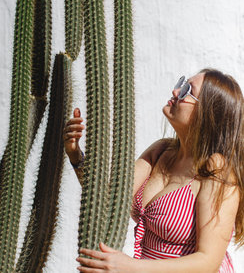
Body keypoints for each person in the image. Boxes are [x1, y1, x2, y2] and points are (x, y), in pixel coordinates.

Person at [63, 68, 244, 272]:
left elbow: (208, 261)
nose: (175, 92)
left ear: (208, 114)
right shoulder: (161, 151)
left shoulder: (216, 168)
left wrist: (130, 267)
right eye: (180, 84)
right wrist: (75, 155)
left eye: (187, 90)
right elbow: (108, 201)